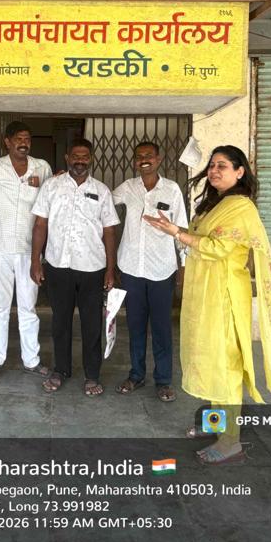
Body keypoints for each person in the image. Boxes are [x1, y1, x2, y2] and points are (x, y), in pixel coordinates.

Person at [143, 145, 271, 465]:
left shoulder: (241, 207)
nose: (214, 171)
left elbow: (218, 248)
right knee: (208, 360)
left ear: (240, 172)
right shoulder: (214, 203)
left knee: (225, 367)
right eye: (212, 165)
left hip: (224, 296)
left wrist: (177, 233)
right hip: (204, 292)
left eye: (222, 166)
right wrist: (176, 230)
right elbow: (200, 239)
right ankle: (215, 425)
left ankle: (231, 442)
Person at [31, 138, 118, 396]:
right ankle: (61, 370)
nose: (80, 161)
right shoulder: (51, 186)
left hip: (92, 267)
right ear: (67, 158)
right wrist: (36, 261)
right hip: (58, 265)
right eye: (76, 156)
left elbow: (109, 231)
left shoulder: (102, 191)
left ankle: (92, 375)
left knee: (92, 324)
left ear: (91, 159)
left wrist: (110, 269)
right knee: (60, 322)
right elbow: (40, 224)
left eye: (85, 156)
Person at [112, 141, 188, 403]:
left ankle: (163, 380)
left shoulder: (172, 189)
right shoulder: (128, 187)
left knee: (161, 327)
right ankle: (136, 375)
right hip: (131, 268)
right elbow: (104, 201)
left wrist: (183, 266)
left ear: (159, 159)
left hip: (162, 270)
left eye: (149, 155)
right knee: (135, 326)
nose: (144, 159)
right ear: (135, 161)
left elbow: (181, 229)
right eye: (139, 156)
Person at [0, 121, 52, 384]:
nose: (24, 143)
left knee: (28, 306)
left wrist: (42, 253)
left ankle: (31, 360)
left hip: (29, 250)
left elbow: (48, 206)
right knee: (0, 306)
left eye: (27, 139)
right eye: (19, 139)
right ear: (7, 142)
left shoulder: (41, 168)